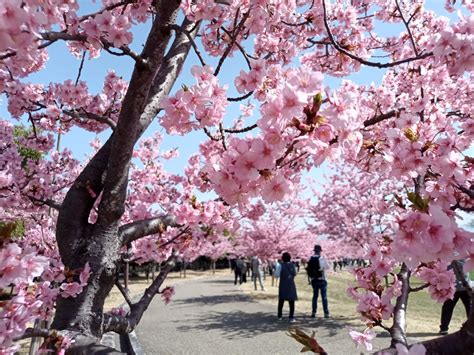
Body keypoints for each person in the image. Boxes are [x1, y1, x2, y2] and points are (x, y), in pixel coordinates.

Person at [439, 259, 471, 335]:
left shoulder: (450, 256)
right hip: (459, 286)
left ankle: (444, 328)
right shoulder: (463, 254)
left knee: (448, 308)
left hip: (455, 287)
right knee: (469, 308)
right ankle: (444, 328)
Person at [307, 244, 330, 318]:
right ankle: (326, 313)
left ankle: (313, 312)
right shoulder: (322, 258)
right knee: (324, 297)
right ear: (320, 251)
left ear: (314, 251)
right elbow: (327, 267)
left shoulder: (310, 258)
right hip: (322, 279)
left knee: (315, 296)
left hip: (314, 279)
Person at [278, 252, 298, 322]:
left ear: (282, 258)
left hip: (283, 284)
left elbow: (277, 274)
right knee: (291, 301)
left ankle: (279, 316)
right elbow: (295, 273)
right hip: (290, 284)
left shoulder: (280, 265)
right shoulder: (293, 265)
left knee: (281, 300)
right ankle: (291, 317)